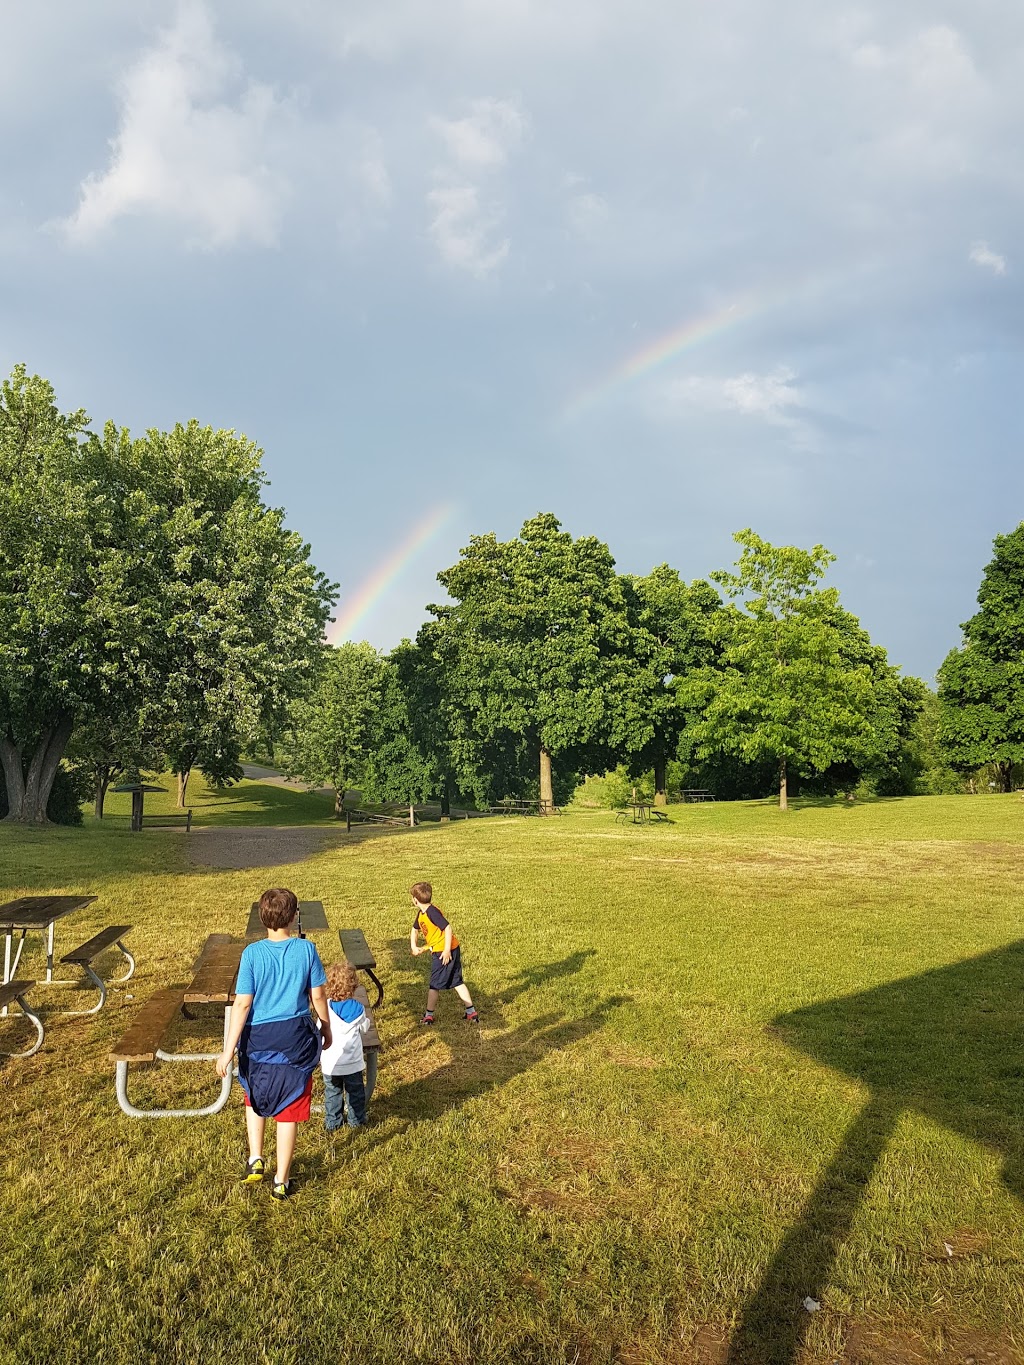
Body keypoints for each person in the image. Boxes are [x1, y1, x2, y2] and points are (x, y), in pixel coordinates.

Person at [215, 887, 330, 1201]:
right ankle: (282, 1179)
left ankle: (255, 1157)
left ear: (261, 919)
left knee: (255, 1093)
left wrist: (228, 1050)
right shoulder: (307, 950)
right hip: (295, 1037)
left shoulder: (251, 954)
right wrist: (326, 1028)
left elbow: (241, 1005)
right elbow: (317, 995)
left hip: (258, 1038)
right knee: (289, 1109)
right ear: (294, 917)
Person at [409, 881, 479, 1025]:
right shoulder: (421, 913)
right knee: (457, 981)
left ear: (415, 900)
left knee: (434, 985)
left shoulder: (432, 912)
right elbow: (415, 929)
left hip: (444, 952)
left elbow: (447, 928)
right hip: (445, 948)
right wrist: (415, 946)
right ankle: (471, 1012)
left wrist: (446, 950)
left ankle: (428, 1015)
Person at [319, 961, 371, 1131]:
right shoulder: (358, 1008)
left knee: (332, 1092)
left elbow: (319, 1029)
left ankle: (333, 1122)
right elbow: (364, 1027)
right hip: (352, 1063)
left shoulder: (324, 1007)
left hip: (330, 1063)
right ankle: (357, 1120)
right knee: (355, 1092)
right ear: (353, 985)